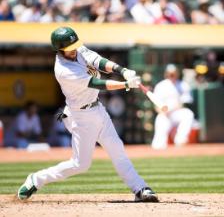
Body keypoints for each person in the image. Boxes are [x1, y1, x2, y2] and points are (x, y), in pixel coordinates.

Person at [17, 27, 158, 202]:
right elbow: (97, 83)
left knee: (117, 149)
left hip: (98, 109)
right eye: (70, 47)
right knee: (80, 164)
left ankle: (140, 188)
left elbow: (98, 61)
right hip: (80, 117)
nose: (75, 49)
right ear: (60, 49)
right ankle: (36, 179)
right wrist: (126, 84)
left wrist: (122, 70)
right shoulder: (64, 70)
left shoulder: (77, 48)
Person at [151, 64, 194, 149]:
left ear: (177, 73)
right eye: (170, 73)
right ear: (166, 74)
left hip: (177, 112)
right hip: (164, 114)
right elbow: (156, 106)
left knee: (188, 114)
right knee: (158, 145)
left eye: (173, 73)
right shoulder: (160, 86)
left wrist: (172, 109)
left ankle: (181, 139)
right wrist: (163, 111)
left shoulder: (183, 85)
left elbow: (185, 103)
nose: (172, 75)